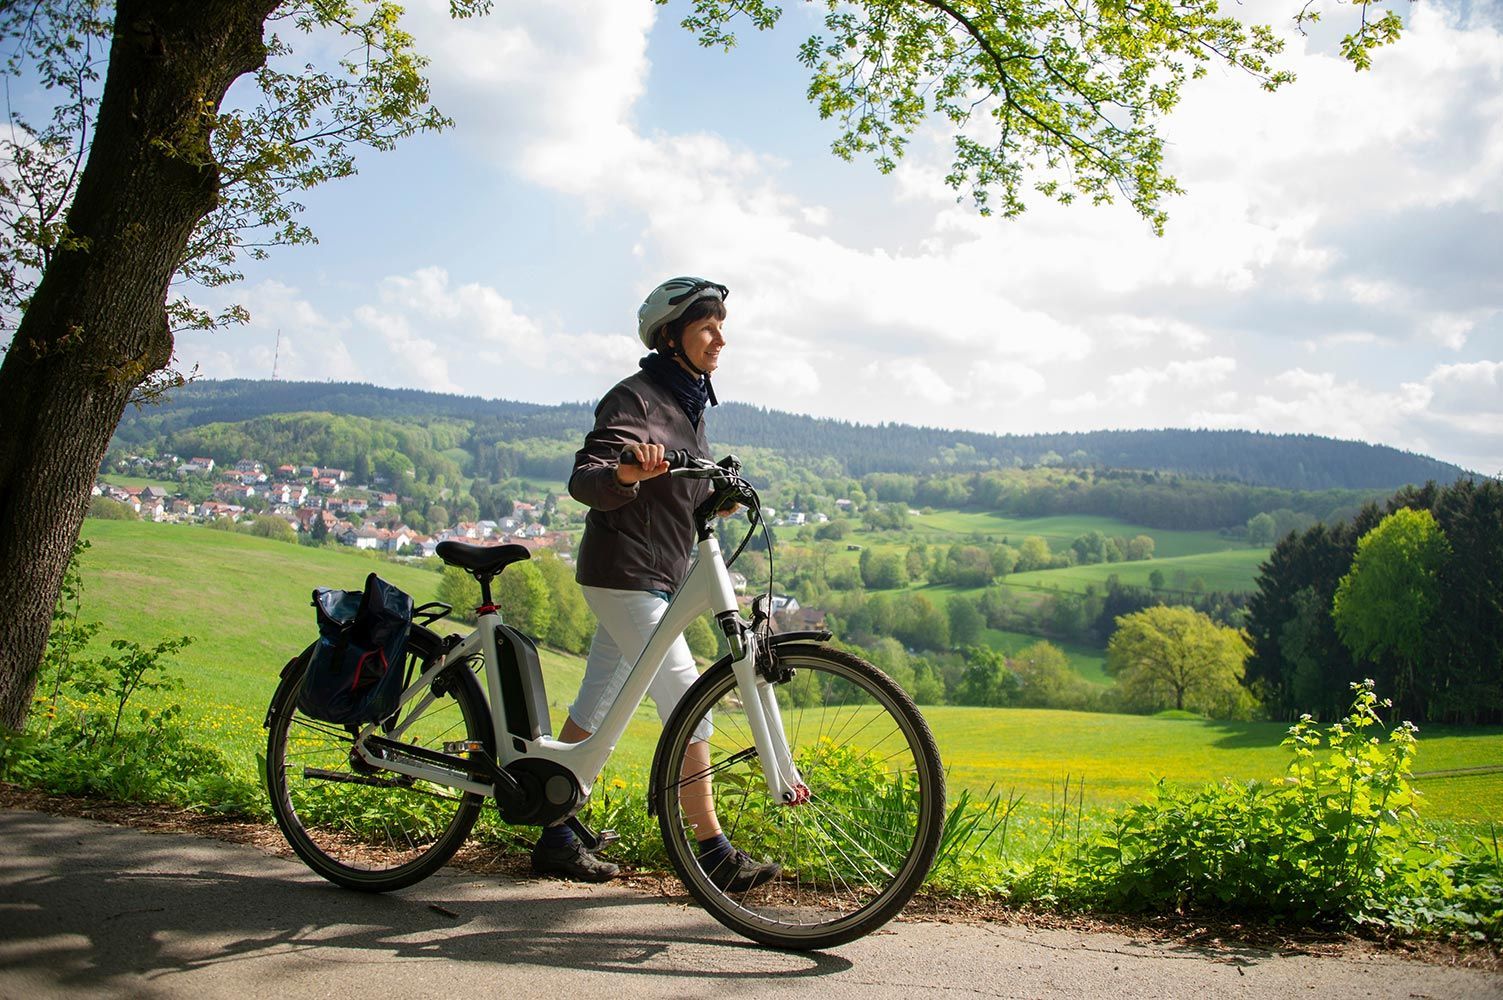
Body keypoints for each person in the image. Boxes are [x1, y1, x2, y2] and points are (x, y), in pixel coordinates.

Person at [530, 277, 779, 891]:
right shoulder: (635, 399)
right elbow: (588, 477)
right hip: (625, 573)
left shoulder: (688, 405)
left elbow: (678, 485)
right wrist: (624, 470)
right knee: (689, 701)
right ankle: (711, 851)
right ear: (672, 337)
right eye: (707, 327)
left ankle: (554, 829)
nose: (720, 337)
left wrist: (713, 498)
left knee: (597, 704)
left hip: (656, 576)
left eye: (722, 325)